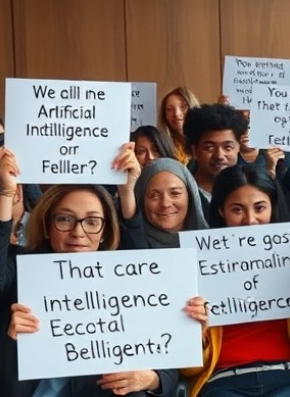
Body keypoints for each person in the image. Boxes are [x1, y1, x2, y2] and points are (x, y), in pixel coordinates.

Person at [0, 148, 179, 397]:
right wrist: (6, 193)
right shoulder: (19, 268)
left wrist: (151, 378)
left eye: (92, 221)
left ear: (105, 231)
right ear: (48, 225)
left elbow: (166, 357)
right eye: (65, 219)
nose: (78, 232)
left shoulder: (124, 282)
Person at [181, 164, 290, 397]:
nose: (250, 220)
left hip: (288, 379)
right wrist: (197, 333)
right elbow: (189, 369)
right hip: (222, 383)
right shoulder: (197, 265)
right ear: (221, 211)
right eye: (237, 210)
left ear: (272, 207)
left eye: (259, 208)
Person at [123, 157, 209, 249]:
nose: (165, 204)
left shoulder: (214, 244)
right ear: (142, 200)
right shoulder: (124, 245)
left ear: (190, 196)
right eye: (154, 196)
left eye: (175, 193)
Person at [182, 104, 249, 214]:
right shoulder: (181, 191)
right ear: (194, 150)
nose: (219, 156)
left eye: (227, 147)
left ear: (238, 147)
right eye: (210, 148)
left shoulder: (252, 187)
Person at [158, 87, 201, 164]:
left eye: (183, 107)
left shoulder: (205, 141)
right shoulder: (160, 146)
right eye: (169, 109)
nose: (176, 113)